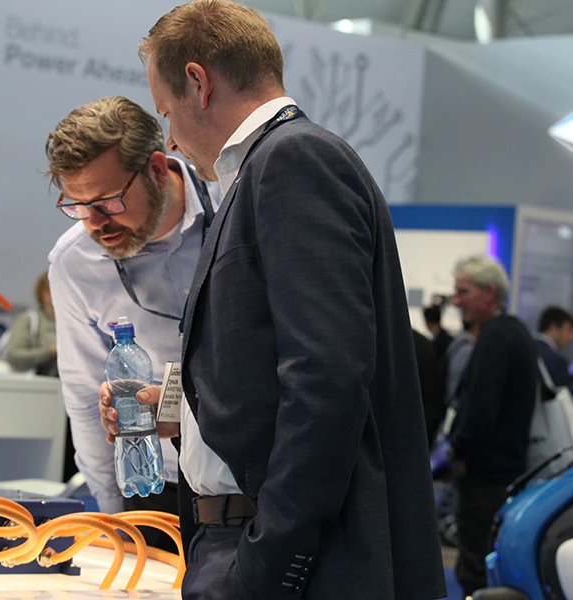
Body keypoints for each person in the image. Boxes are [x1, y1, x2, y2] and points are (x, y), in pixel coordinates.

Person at [101, 2, 445, 598]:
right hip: (240, 543)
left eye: (165, 113)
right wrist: (173, 410)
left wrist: (270, 563)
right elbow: (272, 374)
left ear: (198, 83)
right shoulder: (264, 171)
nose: (172, 139)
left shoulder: (293, 160)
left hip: (286, 562)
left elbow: (326, 380)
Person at [45, 95, 220, 546]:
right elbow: (84, 396)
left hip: (248, 479)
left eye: (107, 201)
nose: (95, 223)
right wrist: (113, 517)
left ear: (158, 170)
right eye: (77, 205)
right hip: (156, 486)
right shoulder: (75, 263)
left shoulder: (233, 212)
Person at [449, 255, 538, 596]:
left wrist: (457, 450)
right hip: (506, 473)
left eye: (463, 291)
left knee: (475, 571)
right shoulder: (514, 331)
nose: (456, 301)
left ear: (489, 292)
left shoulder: (496, 338)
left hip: (485, 477)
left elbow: (480, 411)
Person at [5, 271, 58, 377]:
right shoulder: (29, 320)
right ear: (43, 293)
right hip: (37, 387)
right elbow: (13, 355)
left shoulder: (77, 323)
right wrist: (49, 351)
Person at [535, 305, 572, 388]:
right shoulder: (557, 362)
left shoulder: (527, 348)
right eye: (568, 330)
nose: (570, 337)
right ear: (553, 327)